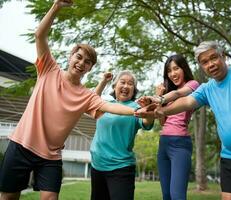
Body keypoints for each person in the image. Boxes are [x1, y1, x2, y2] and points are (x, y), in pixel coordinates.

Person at [136, 20, 231, 200]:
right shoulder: (207, 88)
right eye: (204, 62)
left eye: (213, 58)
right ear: (201, 66)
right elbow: (185, 102)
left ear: (222, 56)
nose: (210, 64)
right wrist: (158, 111)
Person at [0, 1, 138, 200]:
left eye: (87, 62)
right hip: (21, 145)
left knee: (50, 198)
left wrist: (137, 110)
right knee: (8, 197)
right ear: (71, 56)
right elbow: (39, 35)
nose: (81, 63)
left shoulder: (87, 95)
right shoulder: (48, 69)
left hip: (50, 156)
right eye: (79, 57)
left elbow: (110, 106)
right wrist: (56, 6)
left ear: (90, 68)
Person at [137, 54, 199, 200]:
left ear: (184, 68)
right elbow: (163, 122)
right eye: (169, 71)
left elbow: (178, 93)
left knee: (177, 195)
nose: (172, 74)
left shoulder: (193, 85)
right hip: (163, 143)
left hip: (180, 144)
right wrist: (157, 100)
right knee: (166, 195)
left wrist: (159, 98)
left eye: (176, 68)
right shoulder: (167, 93)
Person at [90, 70, 154, 200]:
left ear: (134, 89)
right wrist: (103, 81)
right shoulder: (106, 105)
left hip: (121, 167)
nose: (126, 86)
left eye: (130, 84)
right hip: (97, 165)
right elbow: (90, 101)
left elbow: (147, 123)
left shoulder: (136, 107)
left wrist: (148, 112)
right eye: (122, 82)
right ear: (114, 86)